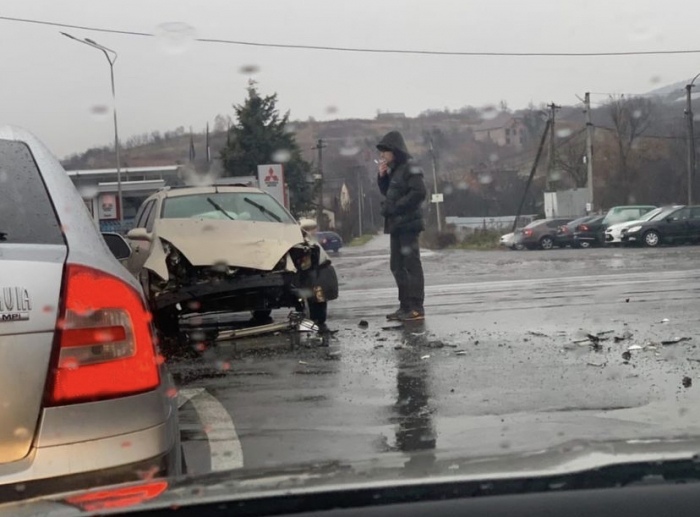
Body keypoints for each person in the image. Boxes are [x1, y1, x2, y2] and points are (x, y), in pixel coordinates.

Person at [376, 131, 426, 321]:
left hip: (408, 224)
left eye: (384, 152)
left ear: (394, 151)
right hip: (395, 224)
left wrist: (396, 208)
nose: (382, 156)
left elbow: (419, 192)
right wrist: (382, 177)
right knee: (396, 265)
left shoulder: (410, 167)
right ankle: (404, 306)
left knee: (411, 264)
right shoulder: (394, 170)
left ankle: (416, 307)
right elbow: (387, 192)